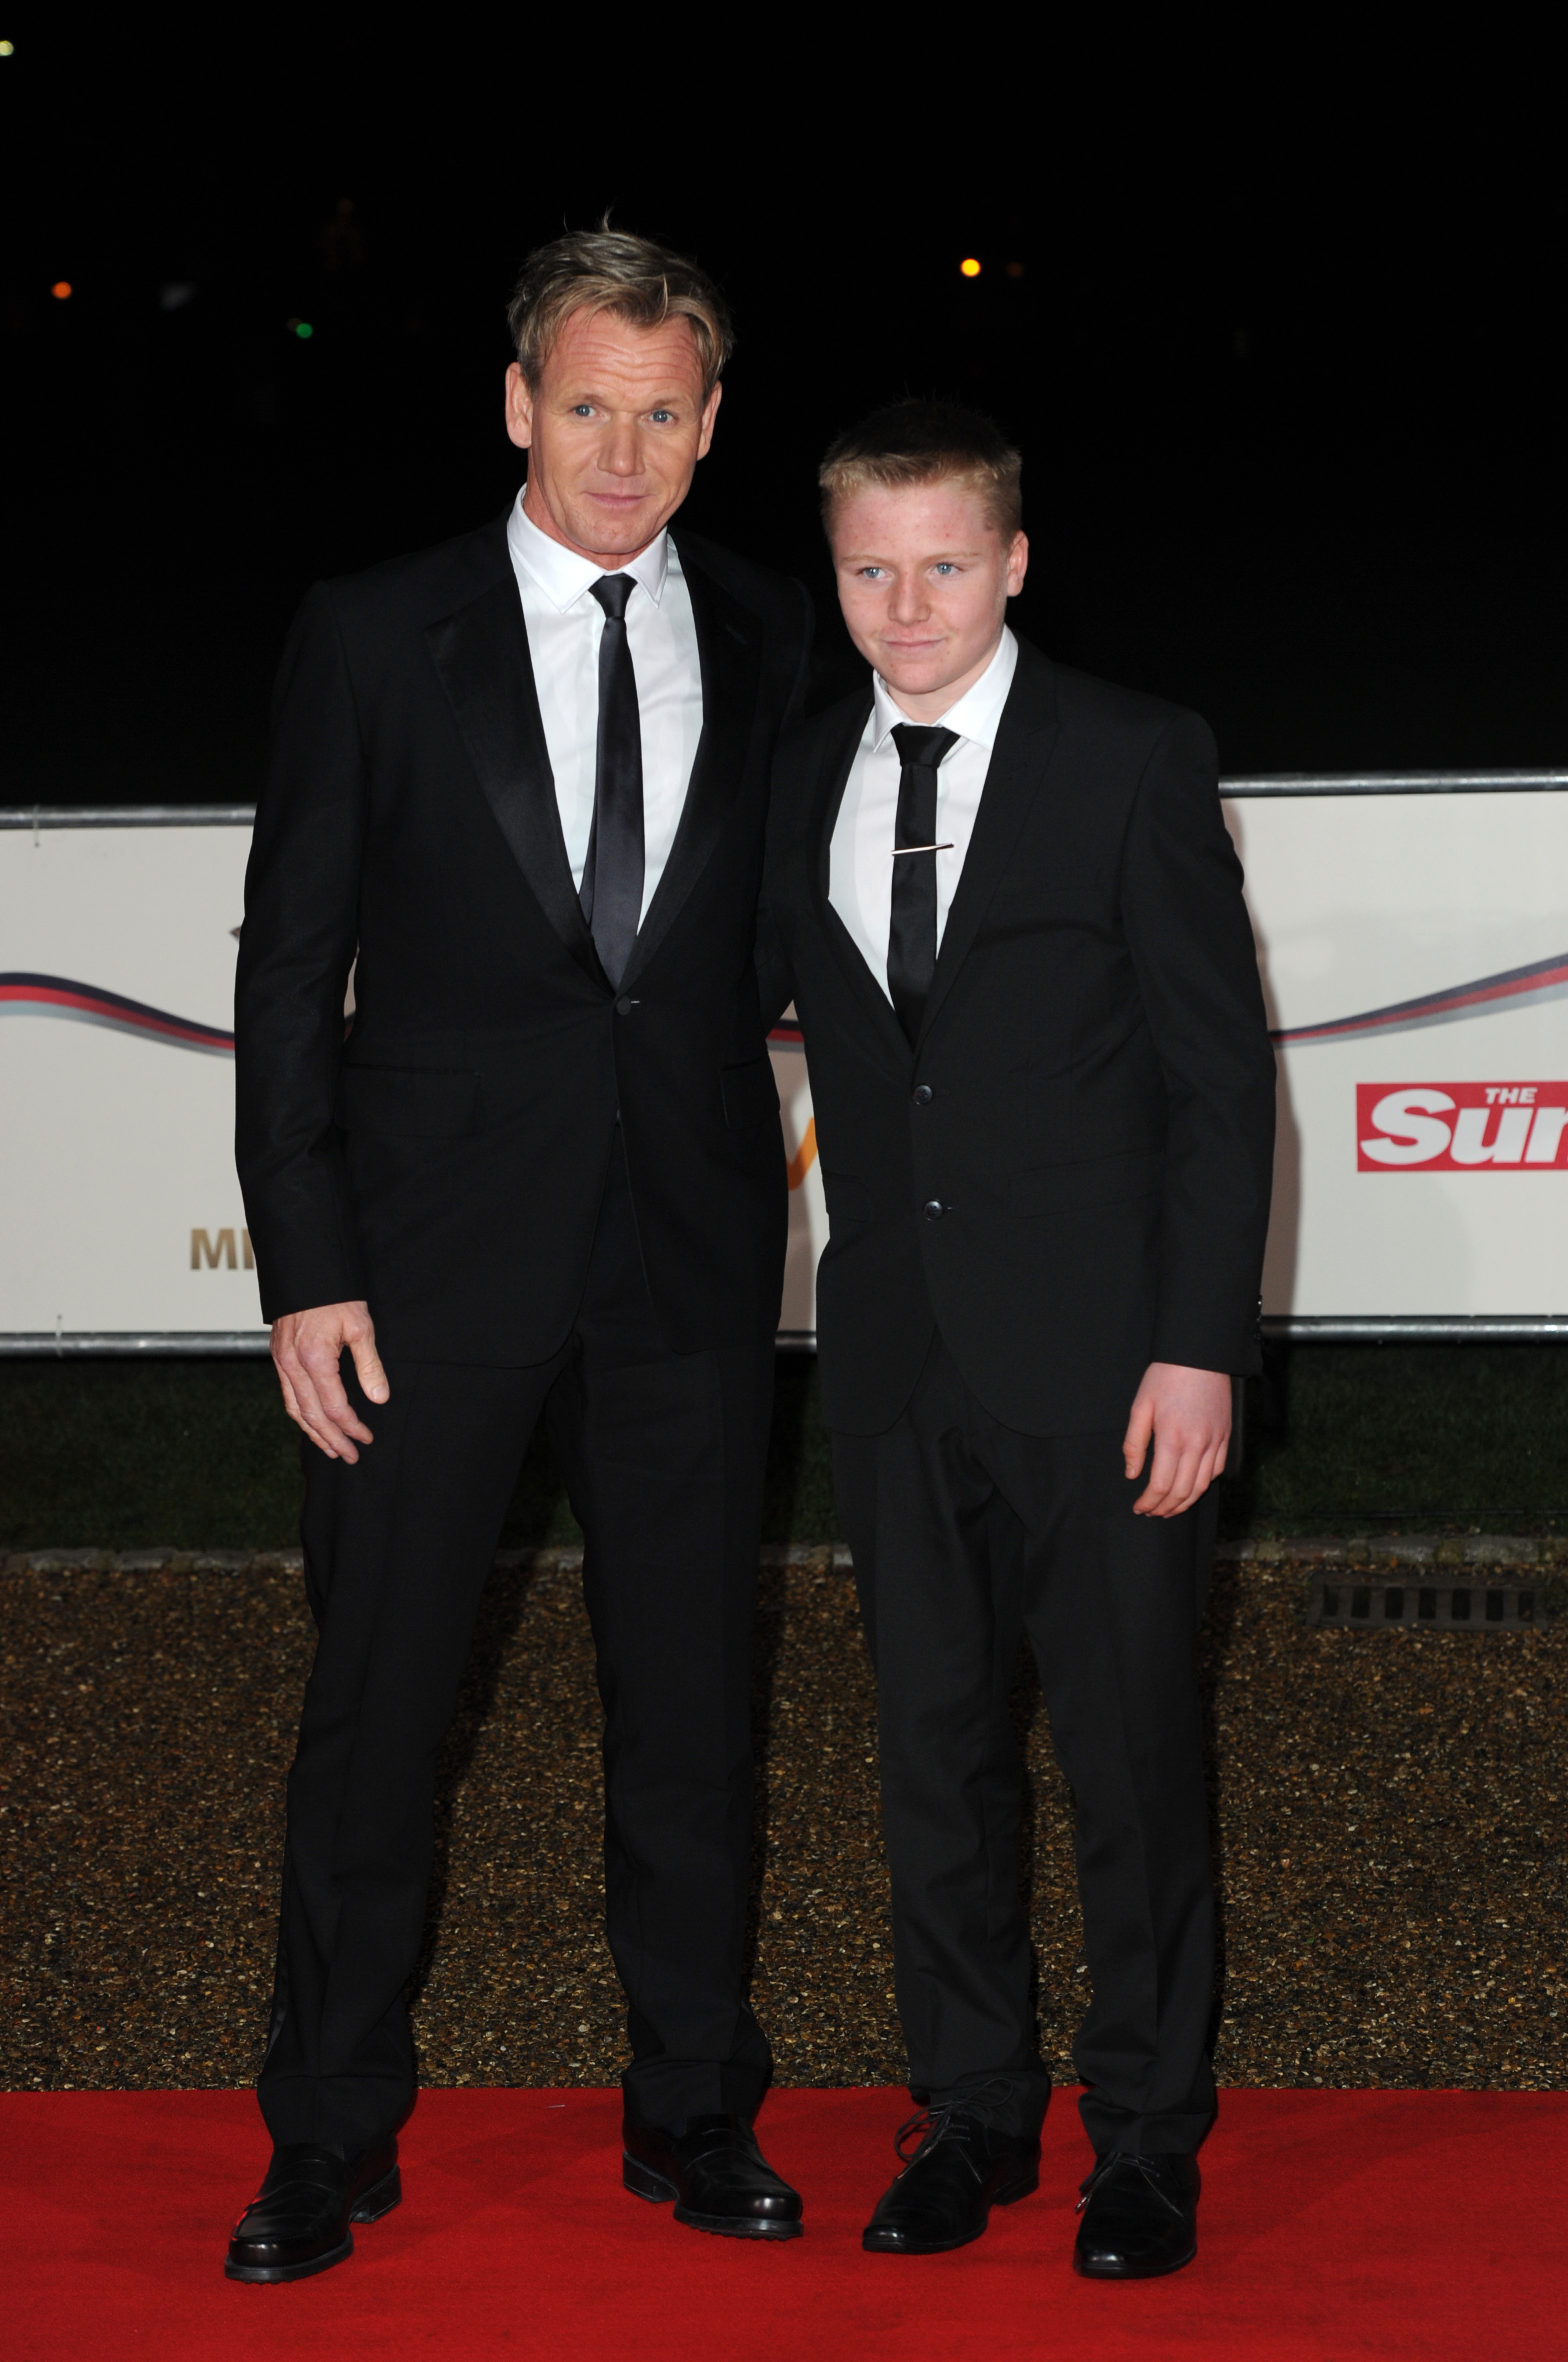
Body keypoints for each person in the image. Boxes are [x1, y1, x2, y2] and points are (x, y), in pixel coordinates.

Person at [227, 228, 812, 2284]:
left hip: (689, 1268)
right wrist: (305, 1263)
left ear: (712, 424)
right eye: (586, 406)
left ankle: (696, 2111)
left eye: (662, 412)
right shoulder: (375, 634)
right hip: (420, 1276)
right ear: (515, 407)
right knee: (377, 1722)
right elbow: (289, 971)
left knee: (692, 1721)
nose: (622, 452)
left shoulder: (772, 630)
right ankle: (325, 2139)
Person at [760, 401, 1276, 2276]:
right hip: (896, 1357)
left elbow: (1222, 1084)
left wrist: (1199, 1347)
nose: (906, 607)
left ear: (1017, 563)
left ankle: (1145, 2140)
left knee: (1132, 1764)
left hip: (1109, 1364)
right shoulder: (799, 770)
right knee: (933, 1760)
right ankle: (972, 2114)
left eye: (945, 566)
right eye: (869, 569)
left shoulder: (1133, 755)